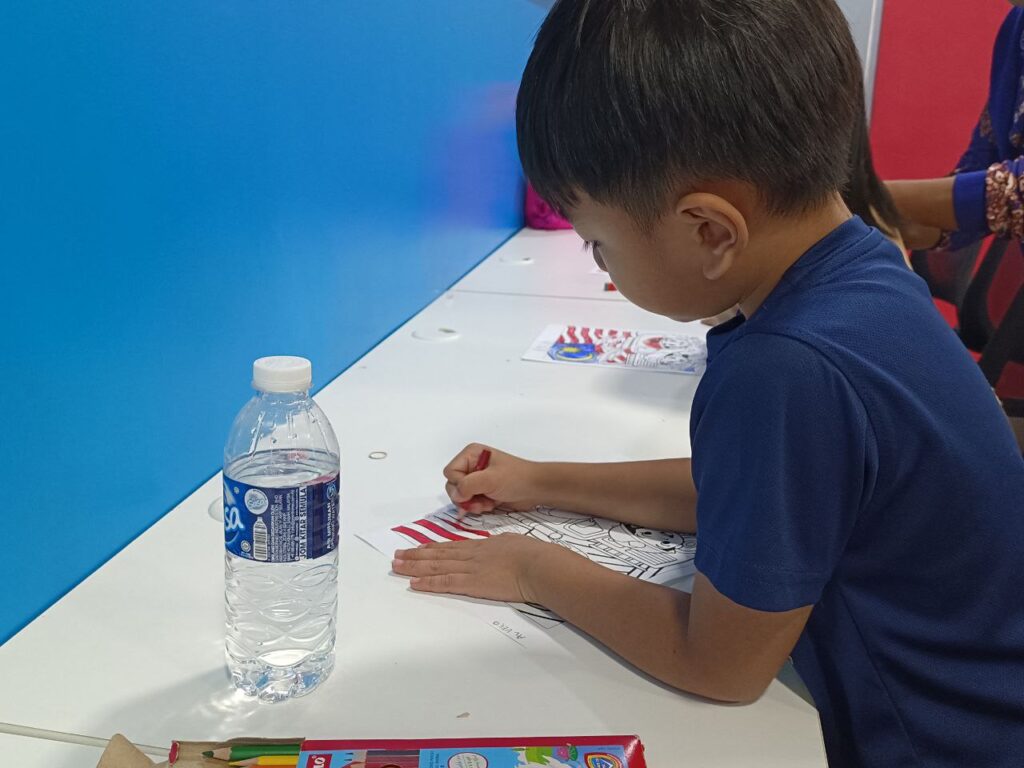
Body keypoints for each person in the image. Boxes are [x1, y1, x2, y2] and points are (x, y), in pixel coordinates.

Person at [392, 1, 1024, 765]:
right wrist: (543, 480)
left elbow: (720, 664)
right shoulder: (861, 268)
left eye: (598, 244)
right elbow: (752, 493)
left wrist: (533, 567)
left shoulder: (785, 367)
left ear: (712, 232)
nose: (602, 267)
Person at [888, 4, 1024, 250]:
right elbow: (982, 168)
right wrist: (883, 223)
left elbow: (1010, 191)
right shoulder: (1016, 27)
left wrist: (874, 198)